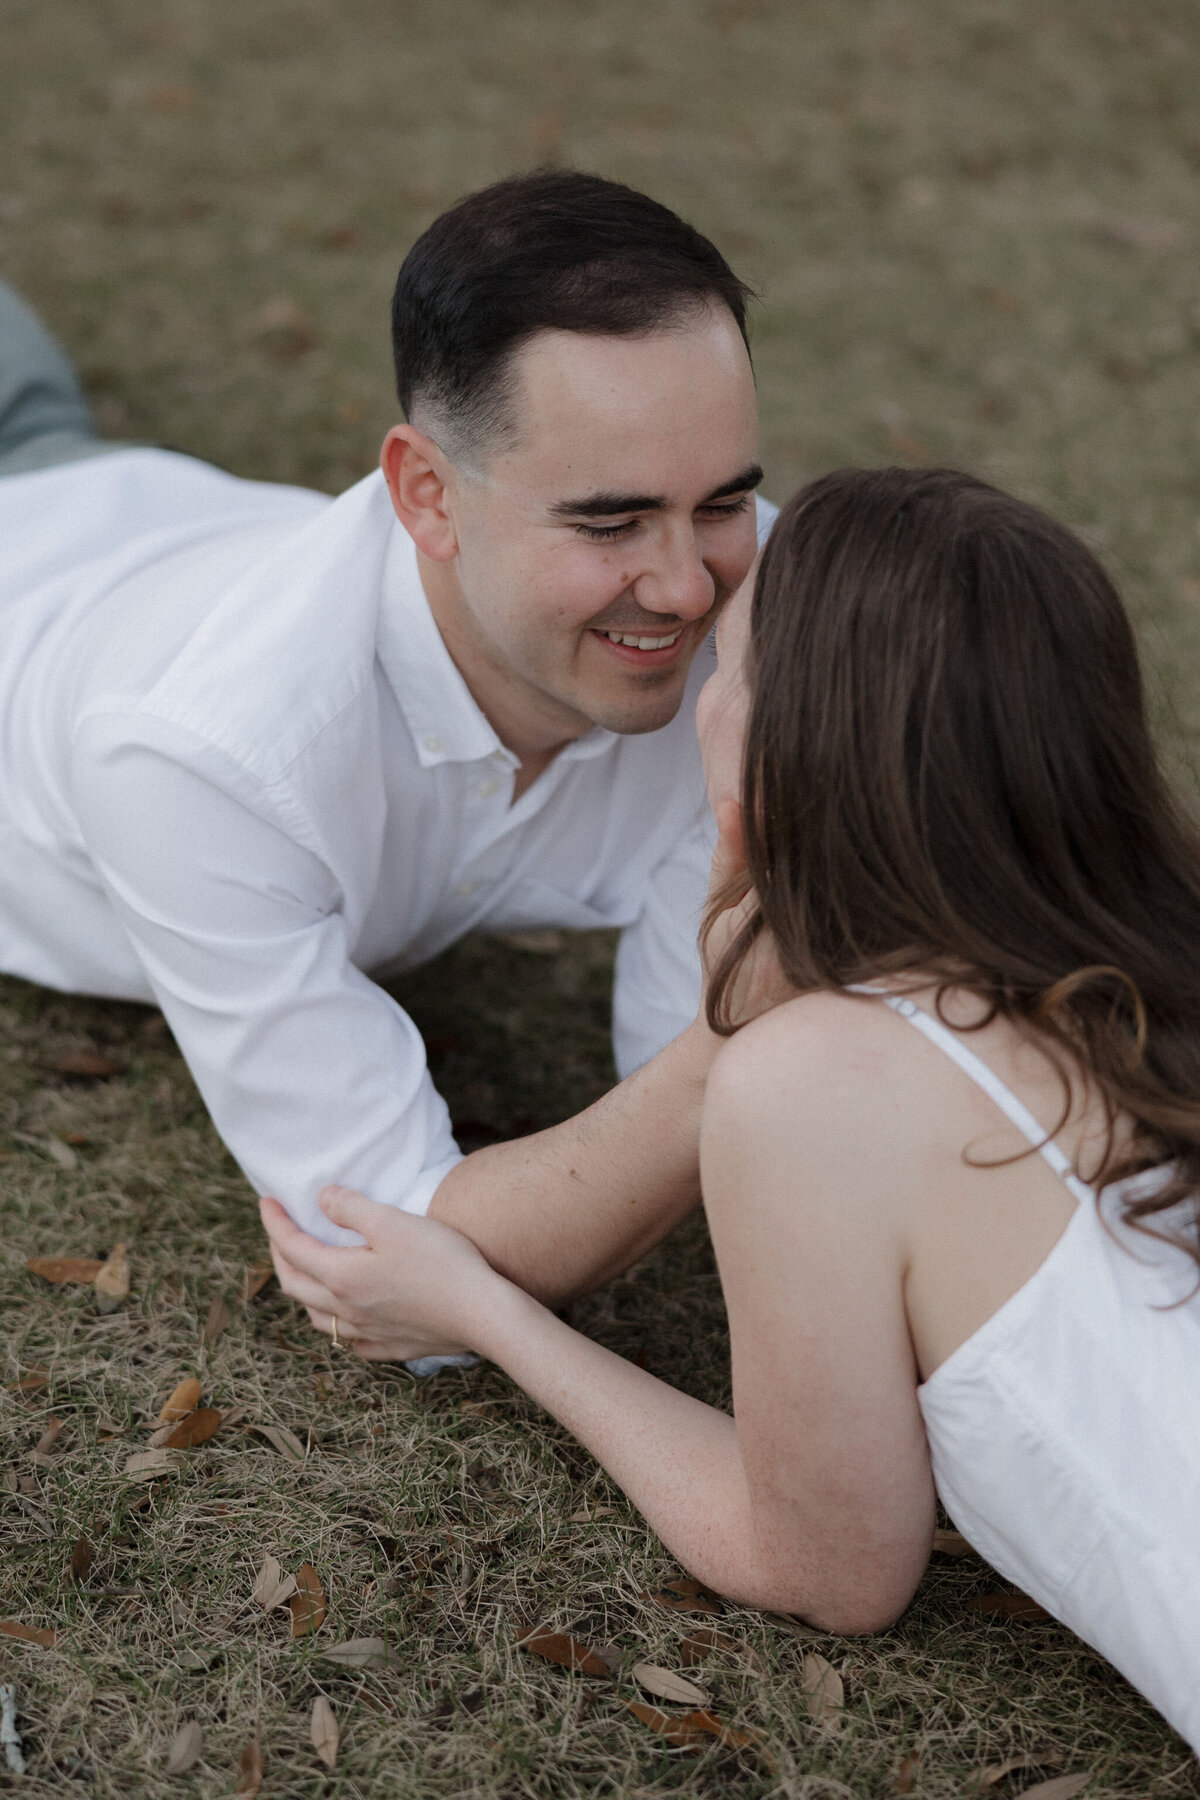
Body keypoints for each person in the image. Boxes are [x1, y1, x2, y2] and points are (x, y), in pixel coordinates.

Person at [263, 466, 1200, 1752]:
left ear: (777, 748)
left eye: (733, 663)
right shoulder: (1157, 963)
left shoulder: (822, 1082)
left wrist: (484, 1310)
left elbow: (827, 1567)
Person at [0, 171, 776, 1352]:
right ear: (425, 494)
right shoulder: (199, 757)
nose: (686, 589)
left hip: (114, 488)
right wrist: (744, 1034)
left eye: (722, 503)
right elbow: (394, 1251)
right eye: (610, 523)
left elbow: (719, 1112)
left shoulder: (760, 618)